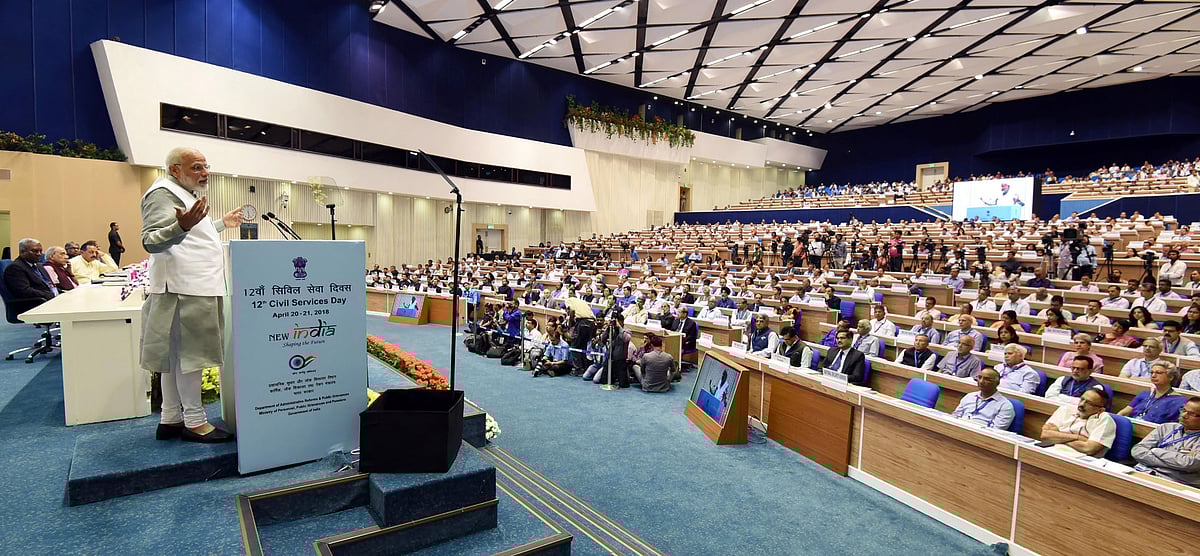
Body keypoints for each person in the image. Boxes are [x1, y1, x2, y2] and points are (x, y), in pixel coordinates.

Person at [140, 147, 241, 443]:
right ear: (174, 169)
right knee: (190, 358)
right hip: (184, 288)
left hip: (191, 286)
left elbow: (194, 235)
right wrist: (182, 224)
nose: (204, 172)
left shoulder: (183, 192)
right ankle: (195, 422)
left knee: (174, 357)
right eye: (196, 167)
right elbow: (151, 240)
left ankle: (170, 418)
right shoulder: (162, 193)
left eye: (205, 166)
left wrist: (221, 223)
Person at [1131, 396, 1200, 487]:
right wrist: (1174, 463)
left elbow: (1190, 464)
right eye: (1183, 410)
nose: (1184, 415)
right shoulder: (1165, 427)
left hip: (1176, 482)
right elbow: (1137, 451)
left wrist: (1155, 451)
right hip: (1144, 471)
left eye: (1191, 414)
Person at [1039, 387, 1117, 457]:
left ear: (1100, 410)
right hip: (1051, 450)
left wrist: (1057, 436)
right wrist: (1078, 438)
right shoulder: (1066, 409)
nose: (1082, 404)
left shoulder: (1105, 419)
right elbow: (1045, 435)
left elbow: (1089, 449)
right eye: (1082, 399)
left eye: (1089, 403)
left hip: (1080, 460)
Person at [1118, 363, 1188, 424]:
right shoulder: (1144, 394)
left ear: (1170, 377)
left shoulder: (1179, 401)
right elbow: (1124, 412)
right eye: (1152, 372)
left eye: (1158, 373)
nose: (1153, 375)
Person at [950, 368, 1015, 430]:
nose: (981, 381)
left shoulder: (1005, 406)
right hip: (959, 429)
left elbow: (996, 431)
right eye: (979, 377)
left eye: (987, 379)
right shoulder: (969, 396)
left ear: (997, 383)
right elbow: (955, 416)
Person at [3, 238, 56, 309]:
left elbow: (49, 284)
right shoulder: (15, 268)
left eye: (40, 251)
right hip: (35, 305)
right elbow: (24, 291)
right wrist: (48, 295)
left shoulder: (39, 266)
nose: (39, 254)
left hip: (51, 300)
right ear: (22, 252)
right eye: (35, 251)